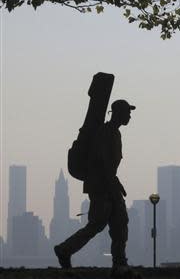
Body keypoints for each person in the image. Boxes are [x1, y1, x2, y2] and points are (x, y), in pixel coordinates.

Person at [54, 99, 135, 274]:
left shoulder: (114, 133)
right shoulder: (105, 133)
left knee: (120, 222)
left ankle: (119, 263)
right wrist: (112, 184)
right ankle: (64, 250)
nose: (130, 116)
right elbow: (102, 162)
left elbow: (109, 165)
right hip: (101, 188)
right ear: (118, 113)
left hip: (109, 186)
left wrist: (115, 183)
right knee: (97, 224)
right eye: (127, 112)